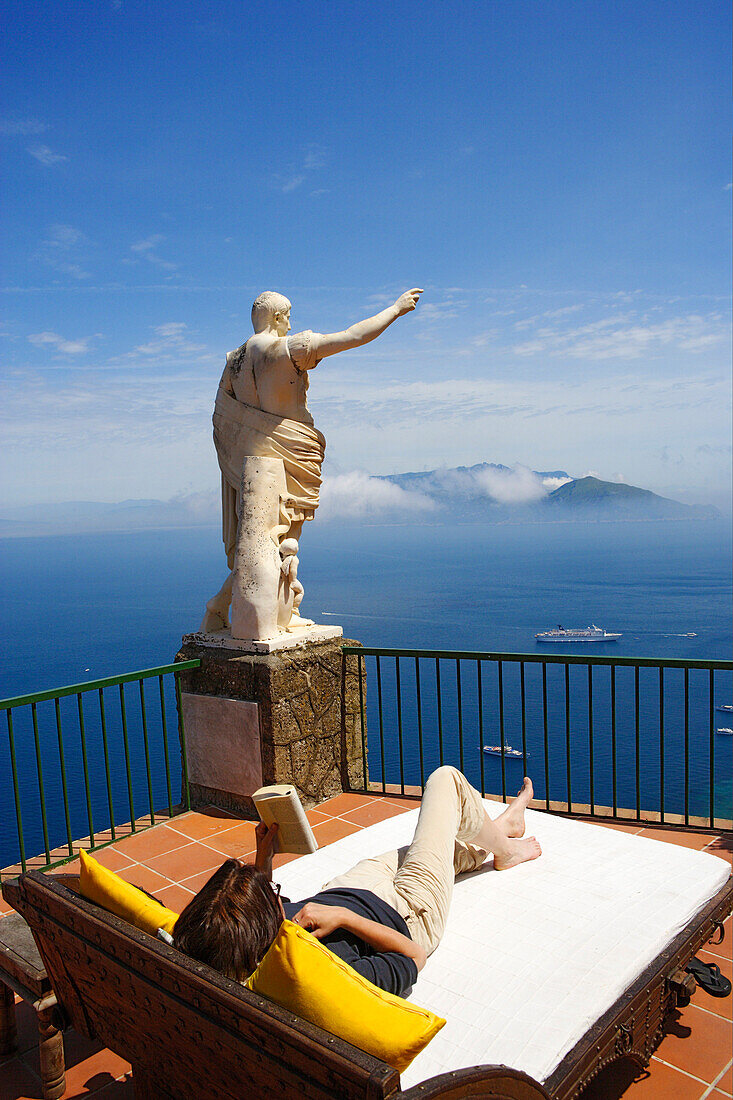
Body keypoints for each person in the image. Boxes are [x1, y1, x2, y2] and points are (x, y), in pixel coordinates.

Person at [173, 768, 541, 998]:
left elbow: (257, 916)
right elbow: (412, 957)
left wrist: (264, 862)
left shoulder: (239, 944)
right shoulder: (322, 972)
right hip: (407, 910)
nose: (276, 902)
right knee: (447, 782)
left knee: (432, 844)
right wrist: (344, 919)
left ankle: (502, 829)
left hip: (352, 888)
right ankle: (505, 846)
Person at [201, 288, 424, 633]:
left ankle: (245, 609)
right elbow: (353, 336)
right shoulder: (287, 349)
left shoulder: (233, 361)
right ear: (277, 317)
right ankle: (264, 613)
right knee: (285, 540)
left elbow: (222, 420)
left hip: (253, 459)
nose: (291, 323)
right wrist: (395, 309)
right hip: (291, 453)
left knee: (265, 539)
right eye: (288, 316)